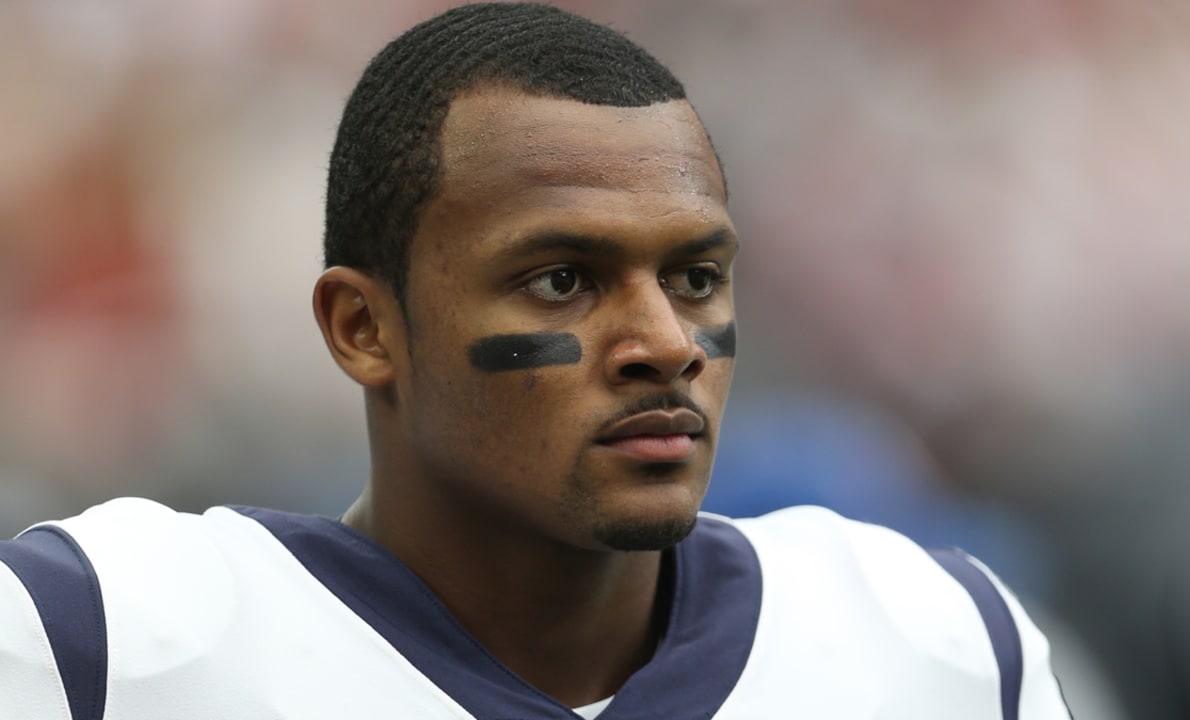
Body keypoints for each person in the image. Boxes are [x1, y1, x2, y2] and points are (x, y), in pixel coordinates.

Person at [0, 4, 1072, 718]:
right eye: (562, 279)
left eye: (696, 276)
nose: (666, 343)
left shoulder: (938, 645)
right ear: (363, 327)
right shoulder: (96, 644)